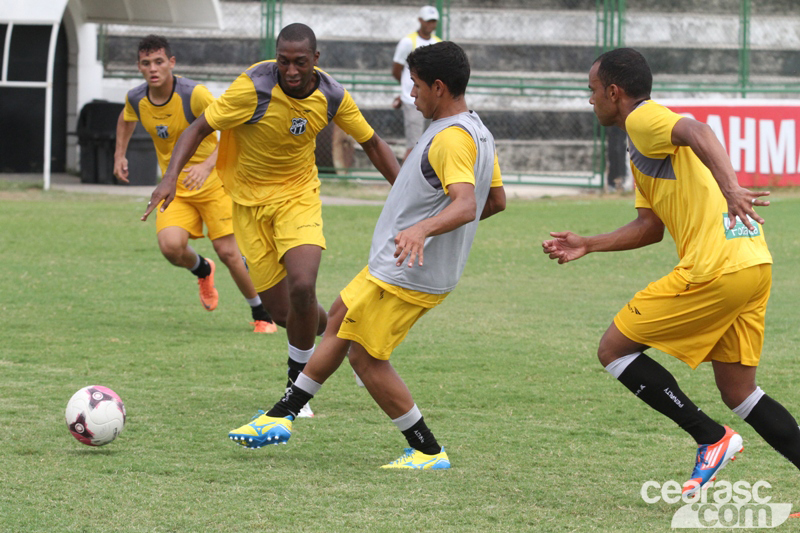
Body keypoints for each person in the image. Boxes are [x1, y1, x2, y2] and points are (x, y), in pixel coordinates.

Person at [227, 41, 506, 469]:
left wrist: (424, 230)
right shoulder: (477, 130)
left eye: (416, 85)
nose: (411, 94)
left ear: (438, 87)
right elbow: (495, 201)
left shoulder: (452, 139)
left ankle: (427, 451)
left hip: (408, 272)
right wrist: (438, 229)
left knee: (365, 358)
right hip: (395, 264)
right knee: (339, 314)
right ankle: (282, 415)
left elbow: (467, 205)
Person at [542, 47, 800, 496]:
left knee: (613, 350)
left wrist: (731, 187)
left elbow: (698, 129)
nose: (590, 99)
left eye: (593, 90)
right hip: (752, 263)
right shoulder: (641, 143)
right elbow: (650, 227)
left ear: (614, 92)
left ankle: (711, 438)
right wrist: (589, 243)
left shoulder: (643, 119)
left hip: (715, 268)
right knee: (740, 391)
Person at [142, 24, 400, 419]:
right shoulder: (253, 88)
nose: (291, 70)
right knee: (284, 314)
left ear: (316, 59)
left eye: (300, 62)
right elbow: (199, 127)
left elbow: (373, 143)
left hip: (298, 199)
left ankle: (297, 388)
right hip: (248, 207)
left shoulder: (332, 95)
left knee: (303, 285)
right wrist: (169, 178)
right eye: (284, 61)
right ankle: (348, 339)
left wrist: (405, 196)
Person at [114, 35, 277, 335]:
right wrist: (119, 154)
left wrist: (206, 165)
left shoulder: (194, 95)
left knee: (228, 251)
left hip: (214, 183)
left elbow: (232, 127)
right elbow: (126, 119)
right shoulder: (136, 98)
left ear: (172, 63)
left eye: (159, 62)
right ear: (139, 67)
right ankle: (202, 268)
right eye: (146, 63)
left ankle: (262, 313)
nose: (153, 69)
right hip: (174, 186)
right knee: (170, 247)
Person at [392, 5, 442, 161]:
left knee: (429, 145)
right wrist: (407, 90)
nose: (431, 25)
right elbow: (396, 69)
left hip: (432, 102)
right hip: (412, 101)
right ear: (420, 20)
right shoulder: (408, 42)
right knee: (413, 146)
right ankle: (405, 176)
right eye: (428, 21)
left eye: (433, 21)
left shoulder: (438, 43)